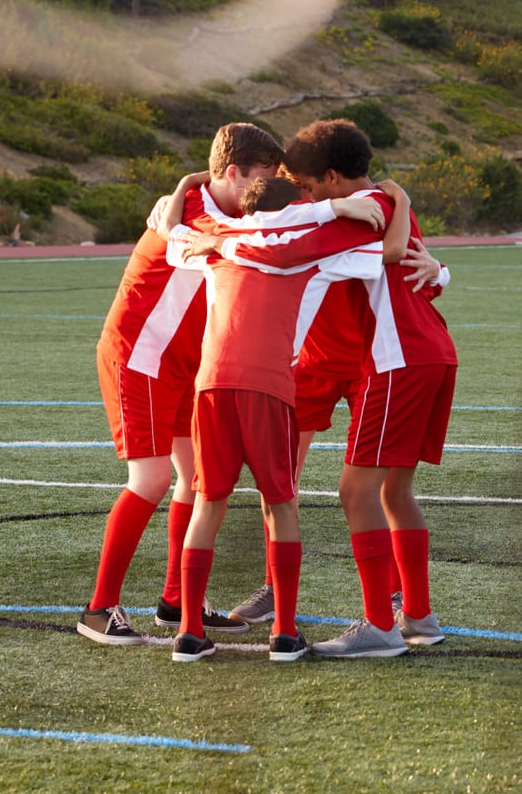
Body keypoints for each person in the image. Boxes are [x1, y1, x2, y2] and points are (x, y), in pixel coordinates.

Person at [169, 174, 413, 663]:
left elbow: (172, 233)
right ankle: (283, 632)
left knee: (208, 502)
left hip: (211, 384)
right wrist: (399, 201)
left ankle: (190, 633)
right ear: (298, 206)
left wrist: (187, 184)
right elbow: (390, 253)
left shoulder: (218, 241)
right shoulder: (309, 251)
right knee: (281, 502)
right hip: (269, 386)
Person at [76, 122, 281, 646]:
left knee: (198, 478)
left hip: (182, 364)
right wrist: (187, 187)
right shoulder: (194, 214)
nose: (264, 192)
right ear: (232, 173)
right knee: (148, 480)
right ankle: (98, 609)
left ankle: (174, 601)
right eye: (258, 179)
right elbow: (198, 235)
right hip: (142, 357)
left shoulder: (210, 203)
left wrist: (190, 180)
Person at [276, 119, 457, 659]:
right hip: (431, 353)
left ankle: (379, 624)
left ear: (333, 178)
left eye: (308, 185)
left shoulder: (360, 212)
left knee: (355, 492)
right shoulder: (388, 200)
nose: (304, 195)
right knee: (393, 492)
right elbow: (410, 260)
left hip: (395, 360)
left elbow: (300, 242)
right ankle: (418, 616)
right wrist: (403, 201)